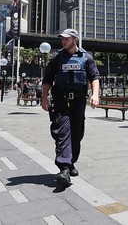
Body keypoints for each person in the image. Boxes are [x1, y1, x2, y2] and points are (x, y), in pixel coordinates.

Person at [41, 28, 100, 187]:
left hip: (79, 101)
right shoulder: (56, 58)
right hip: (61, 101)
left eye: (66, 39)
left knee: (77, 133)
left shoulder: (86, 58)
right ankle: (64, 168)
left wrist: (95, 95)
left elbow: (94, 77)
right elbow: (47, 80)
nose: (63, 41)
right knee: (63, 132)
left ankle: (71, 162)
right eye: (62, 39)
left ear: (75, 40)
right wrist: (44, 98)